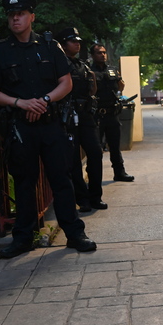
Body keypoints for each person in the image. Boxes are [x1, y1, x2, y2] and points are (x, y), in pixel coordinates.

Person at [0, 0, 97, 258]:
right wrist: (21, 103)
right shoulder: (0, 51)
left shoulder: (49, 46)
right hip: (21, 128)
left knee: (61, 180)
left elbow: (65, 83)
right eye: (11, 15)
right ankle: (23, 239)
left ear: (31, 17)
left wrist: (43, 101)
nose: (15, 18)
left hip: (51, 124)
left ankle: (75, 234)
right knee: (24, 183)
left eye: (20, 14)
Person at [55, 27, 107, 212]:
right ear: (62, 44)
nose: (77, 43)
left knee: (95, 153)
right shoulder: (58, 64)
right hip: (67, 116)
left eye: (78, 41)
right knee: (73, 160)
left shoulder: (82, 65)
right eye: (72, 41)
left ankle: (95, 196)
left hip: (85, 115)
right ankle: (82, 199)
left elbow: (91, 89)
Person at [89, 43, 134, 182]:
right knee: (96, 149)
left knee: (115, 146)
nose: (102, 55)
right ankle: (94, 178)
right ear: (92, 55)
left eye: (104, 52)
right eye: (99, 53)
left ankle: (119, 172)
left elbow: (121, 87)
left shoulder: (112, 69)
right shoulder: (89, 70)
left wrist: (119, 79)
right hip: (97, 114)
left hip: (112, 113)